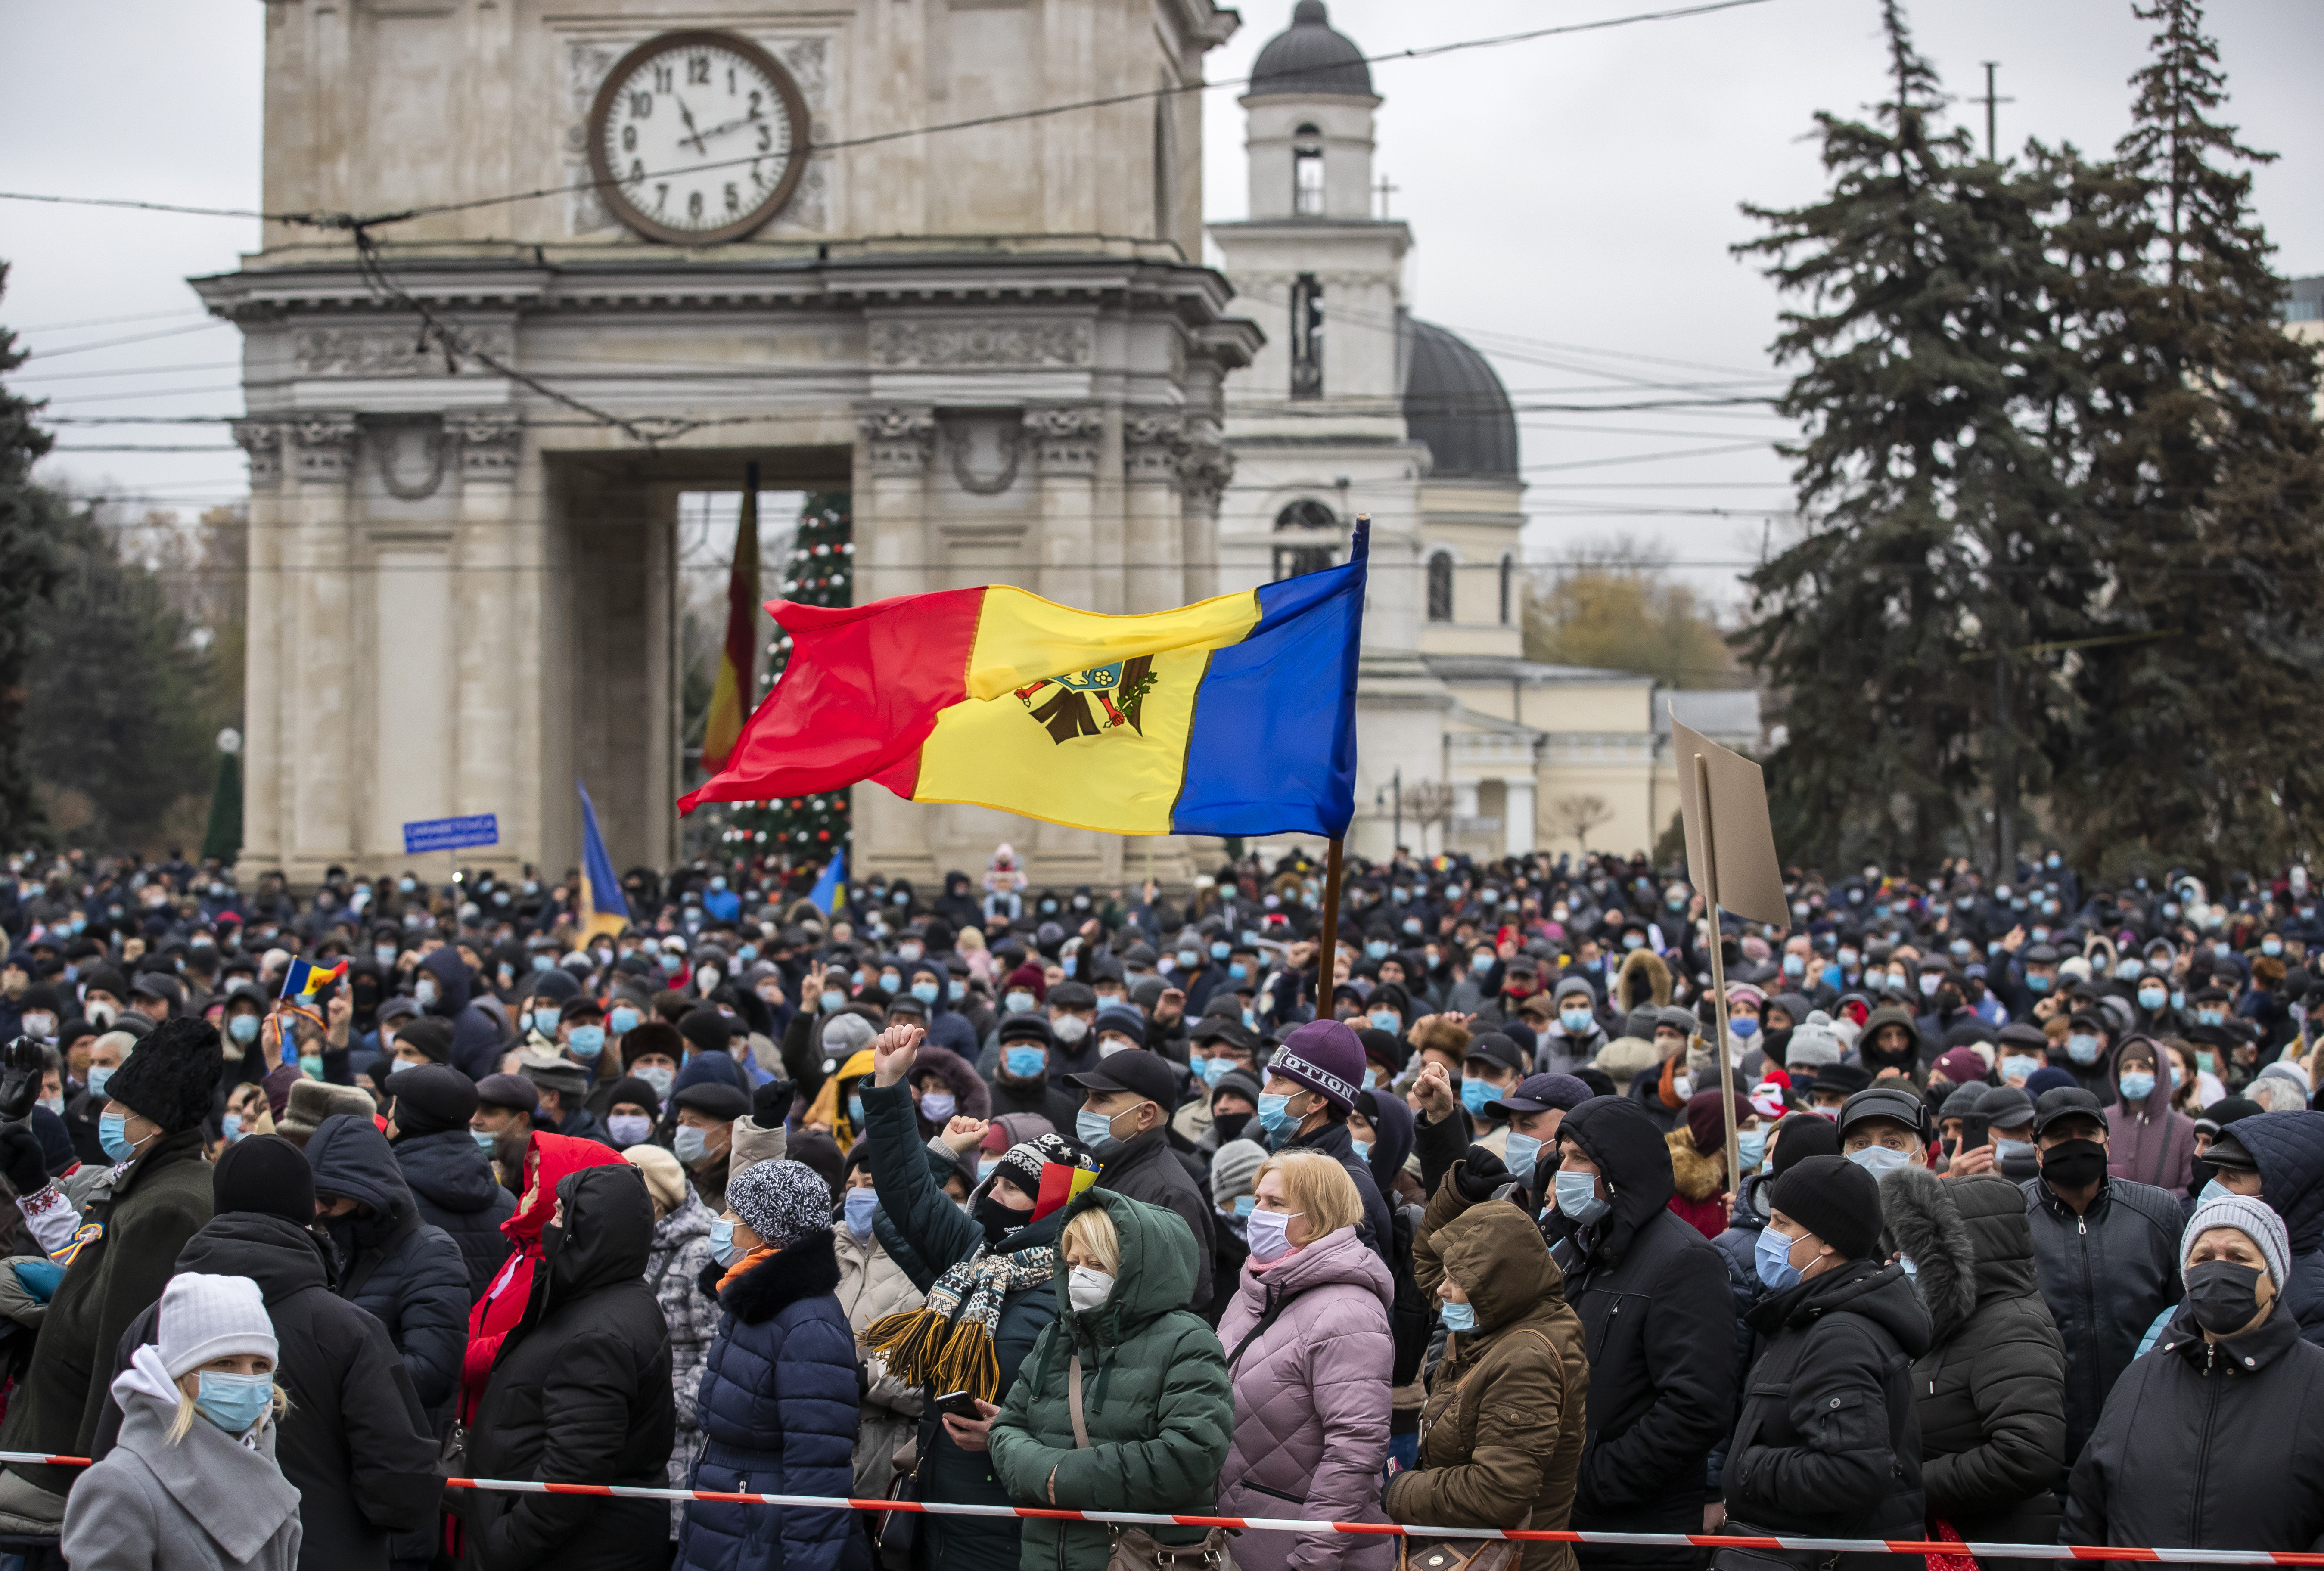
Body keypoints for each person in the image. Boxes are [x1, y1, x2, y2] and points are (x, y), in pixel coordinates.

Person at [92, 1134, 443, 1571]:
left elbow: (114, 1448)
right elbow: (401, 1491)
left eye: (260, 1367)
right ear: (306, 1211)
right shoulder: (349, 1330)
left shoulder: (153, 1323)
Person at [856, 1021, 1084, 1571]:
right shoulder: (979, 1256)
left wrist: (1007, 1434)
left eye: (1009, 1188)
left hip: (1010, 1528)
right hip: (939, 1509)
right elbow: (903, 1207)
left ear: (1050, 1205)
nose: (988, 1194)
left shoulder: (1079, 1283)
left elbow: (1091, 1417)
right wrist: (890, 1090)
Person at [0, 1016, 223, 1533]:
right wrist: (32, 1182)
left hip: (77, 1465)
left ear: (155, 1121)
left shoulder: (169, 1206)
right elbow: (88, 1261)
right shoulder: (147, 1183)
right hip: (57, 1441)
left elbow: (125, 1357)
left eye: (120, 1107)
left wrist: (104, 1477)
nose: (107, 1114)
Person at [2064, 1195, 2324, 1559]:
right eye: (2203, 1259)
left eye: (2239, 1258)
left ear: (2275, 1280)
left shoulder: (2315, 1382)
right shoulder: (2139, 1379)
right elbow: (2086, 1517)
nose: (2218, 1271)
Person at [985, 1192, 1234, 1571]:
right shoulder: (1056, 1338)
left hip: (1138, 1557)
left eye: (1096, 1263)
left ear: (1133, 1269)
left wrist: (1067, 1478)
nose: (1079, 1275)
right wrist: (1044, 1472)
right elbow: (1007, 1428)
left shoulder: (1188, 1341)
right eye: (1072, 1263)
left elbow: (1191, 1455)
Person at [1540, 1095, 1738, 1561]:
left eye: (1580, 1158)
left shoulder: (1685, 1261)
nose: (1563, 1170)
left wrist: (1591, 1480)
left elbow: (1695, 1407)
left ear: (1618, 1167)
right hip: (1565, 1522)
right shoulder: (1576, 1250)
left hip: (1637, 1534)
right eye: (1561, 1157)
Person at [464, 1162, 676, 1571]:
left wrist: (507, 1542)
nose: (552, 1221)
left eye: (563, 1212)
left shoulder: (599, 1333)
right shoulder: (606, 1296)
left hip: (577, 1551)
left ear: (593, 1228)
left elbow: (575, 1468)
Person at [1722, 1155, 1932, 1567]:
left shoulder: (1840, 1338)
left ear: (1827, 1241)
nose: (1769, 1235)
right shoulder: (1809, 1317)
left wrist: (1749, 1465)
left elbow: (1852, 1471)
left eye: (1782, 1224)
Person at [1386, 1173, 1588, 1571]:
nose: (1442, 1291)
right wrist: (1452, 1194)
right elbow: (1429, 1261)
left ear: (1497, 1285)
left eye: (1458, 1281)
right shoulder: (1497, 1321)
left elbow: (1499, 1491)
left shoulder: (1525, 1360)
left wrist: (1401, 1490)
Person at [674, 1159, 861, 1571]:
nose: (721, 1222)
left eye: (733, 1215)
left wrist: (807, 1562)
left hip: (760, 1530)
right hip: (730, 1516)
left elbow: (818, 1463)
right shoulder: (749, 1302)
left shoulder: (808, 1323)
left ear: (765, 1232)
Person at [1213, 1151, 1395, 1571]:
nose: (1257, 1213)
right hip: (1237, 1540)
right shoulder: (1252, 1293)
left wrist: (1313, 1560)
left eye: (1274, 1204)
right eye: (1256, 1200)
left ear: (1319, 1215)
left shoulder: (1347, 1312)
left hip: (1298, 1550)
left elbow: (1353, 1451)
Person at [1878, 1166, 2066, 1562]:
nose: (1898, 1259)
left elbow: (2027, 1454)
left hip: (1993, 1549)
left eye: (1916, 1248)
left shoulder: (2012, 1325)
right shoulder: (1946, 1322)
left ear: (1960, 1254)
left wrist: (1906, 1488)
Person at [60, 1273, 303, 1571]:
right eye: (224, 1362)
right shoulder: (122, 1483)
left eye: (260, 1365)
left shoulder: (264, 1465)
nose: (247, 1379)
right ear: (179, 1374)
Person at [2017, 1086, 2183, 1465]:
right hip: (2047, 1441)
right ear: (2038, 1151)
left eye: (2087, 1134)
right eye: (2060, 1136)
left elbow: (2182, 1315)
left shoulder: (2157, 1213)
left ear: (2107, 1144)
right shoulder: (2010, 1219)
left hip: (2146, 1434)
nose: (2075, 1145)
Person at [302, 1113, 470, 1413]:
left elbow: (432, 1375)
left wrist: (324, 1371)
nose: (317, 1208)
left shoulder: (432, 1253)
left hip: (388, 1443)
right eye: (311, 1195)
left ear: (366, 1192)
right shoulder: (335, 1245)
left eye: (328, 1196)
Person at [1066, 1046, 1216, 1307]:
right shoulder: (1096, 1170)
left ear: (1145, 1115)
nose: (1086, 1109)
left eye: (1101, 1099)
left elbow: (1187, 1303)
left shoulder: (1170, 1194)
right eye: (1087, 1097)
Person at [624, 1141, 724, 1518]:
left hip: (677, 1434)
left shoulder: (698, 1251)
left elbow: (715, 1345)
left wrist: (675, 1409)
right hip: (638, 1426)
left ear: (653, 1202)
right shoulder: (633, 1245)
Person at [833, 1141, 928, 1500]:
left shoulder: (928, 1260)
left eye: (870, 1184)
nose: (858, 1194)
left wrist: (867, 1375)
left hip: (887, 1460)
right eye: (851, 1186)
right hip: (825, 1448)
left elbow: (940, 1369)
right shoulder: (830, 1251)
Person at [385, 1063, 519, 1303]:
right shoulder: (507, 1203)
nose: (387, 1116)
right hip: (485, 1338)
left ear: (407, 1118)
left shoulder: (387, 1195)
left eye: (394, 1107)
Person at [2206, 1111, 2324, 1345]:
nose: (2213, 1188)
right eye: (2216, 1174)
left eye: (2230, 1177)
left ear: (2273, 1198)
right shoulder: (2211, 1256)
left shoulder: (2312, 1305)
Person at [2104, 1035, 2196, 1195]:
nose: (2134, 1074)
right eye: (2127, 1068)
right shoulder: (2103, 1121)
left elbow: (2190, 1190)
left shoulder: (2186, 1129)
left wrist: (2152, 1203)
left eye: (2142, 1067)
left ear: (2160, 1074)